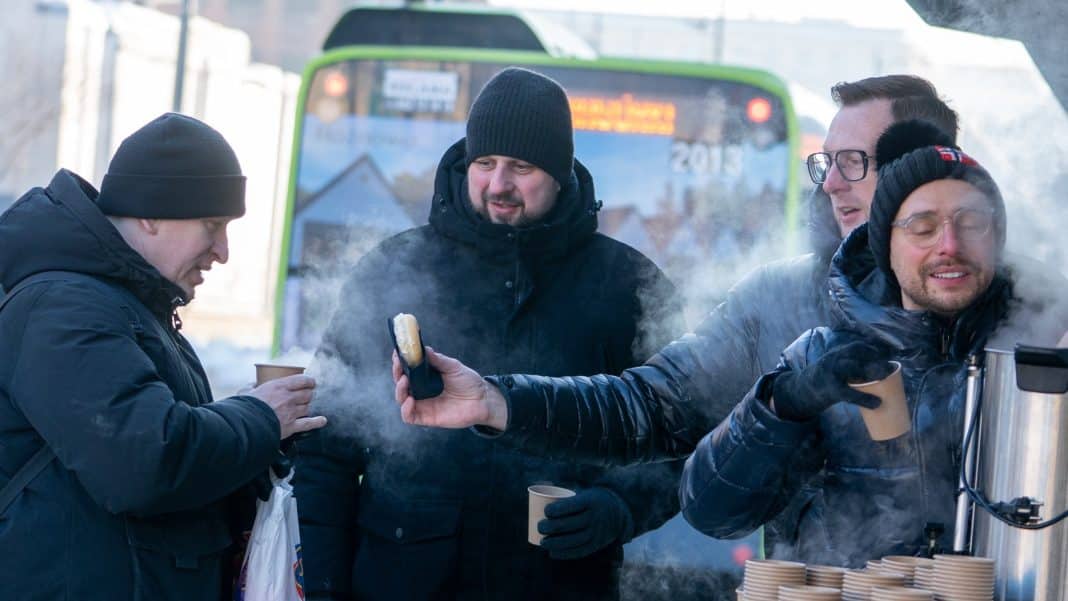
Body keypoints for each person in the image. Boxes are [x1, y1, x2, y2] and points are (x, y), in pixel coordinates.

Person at [391, 76, 957, 468]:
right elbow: (649, 406)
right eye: (826, 162)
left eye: (853, 162)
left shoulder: (1023, 308)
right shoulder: (775, 298)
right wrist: (497, 401)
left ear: (921, 167)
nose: (831, 183)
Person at [293, 67, 685, 600]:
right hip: (401, 579)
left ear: (560, 171)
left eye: (521, 167)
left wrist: (623, 507)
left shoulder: (628, 286)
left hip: (557, 584)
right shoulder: (393, 270)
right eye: (485, 163)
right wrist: (322, 586)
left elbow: (683, 432)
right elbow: (325, 445)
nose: (498, 184)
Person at [678, 119, 1068, 564]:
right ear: (886, 245)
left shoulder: (1042, 347)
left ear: (996, 239)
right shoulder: (822, 354)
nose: (950, 245)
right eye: (922, 227)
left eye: (972, 224)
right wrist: (781, 405)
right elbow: (711, 513)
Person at [0, 113, 327, 601]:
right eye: (212, 226)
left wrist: (262, 441)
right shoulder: (65, 307)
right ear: (150, 214)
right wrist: (259, 418)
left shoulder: (127, 307)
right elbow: (145, 463)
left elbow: (174, 461)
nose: (222, 251)